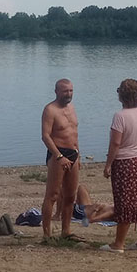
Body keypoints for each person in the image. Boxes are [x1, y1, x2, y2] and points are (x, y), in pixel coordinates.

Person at [100, 79, 137, 252]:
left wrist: (108, 165)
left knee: (124, 203)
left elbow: (116, 143)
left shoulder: (120, 116)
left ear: (121, 95)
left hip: (124, 163)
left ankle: (118, 243)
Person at [41, 78, 80, 239]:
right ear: (57, 91)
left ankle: (66, 231)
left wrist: (79, 154)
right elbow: (45, 136)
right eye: (65, 91)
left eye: (71, 90)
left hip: (73, 154)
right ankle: (46, 234)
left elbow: (74, 133)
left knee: (71, 195)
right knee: (53, 195)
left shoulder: (71, 108)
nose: (68, 94)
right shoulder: (50, 110)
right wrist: (59, 156)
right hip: (58, 154)